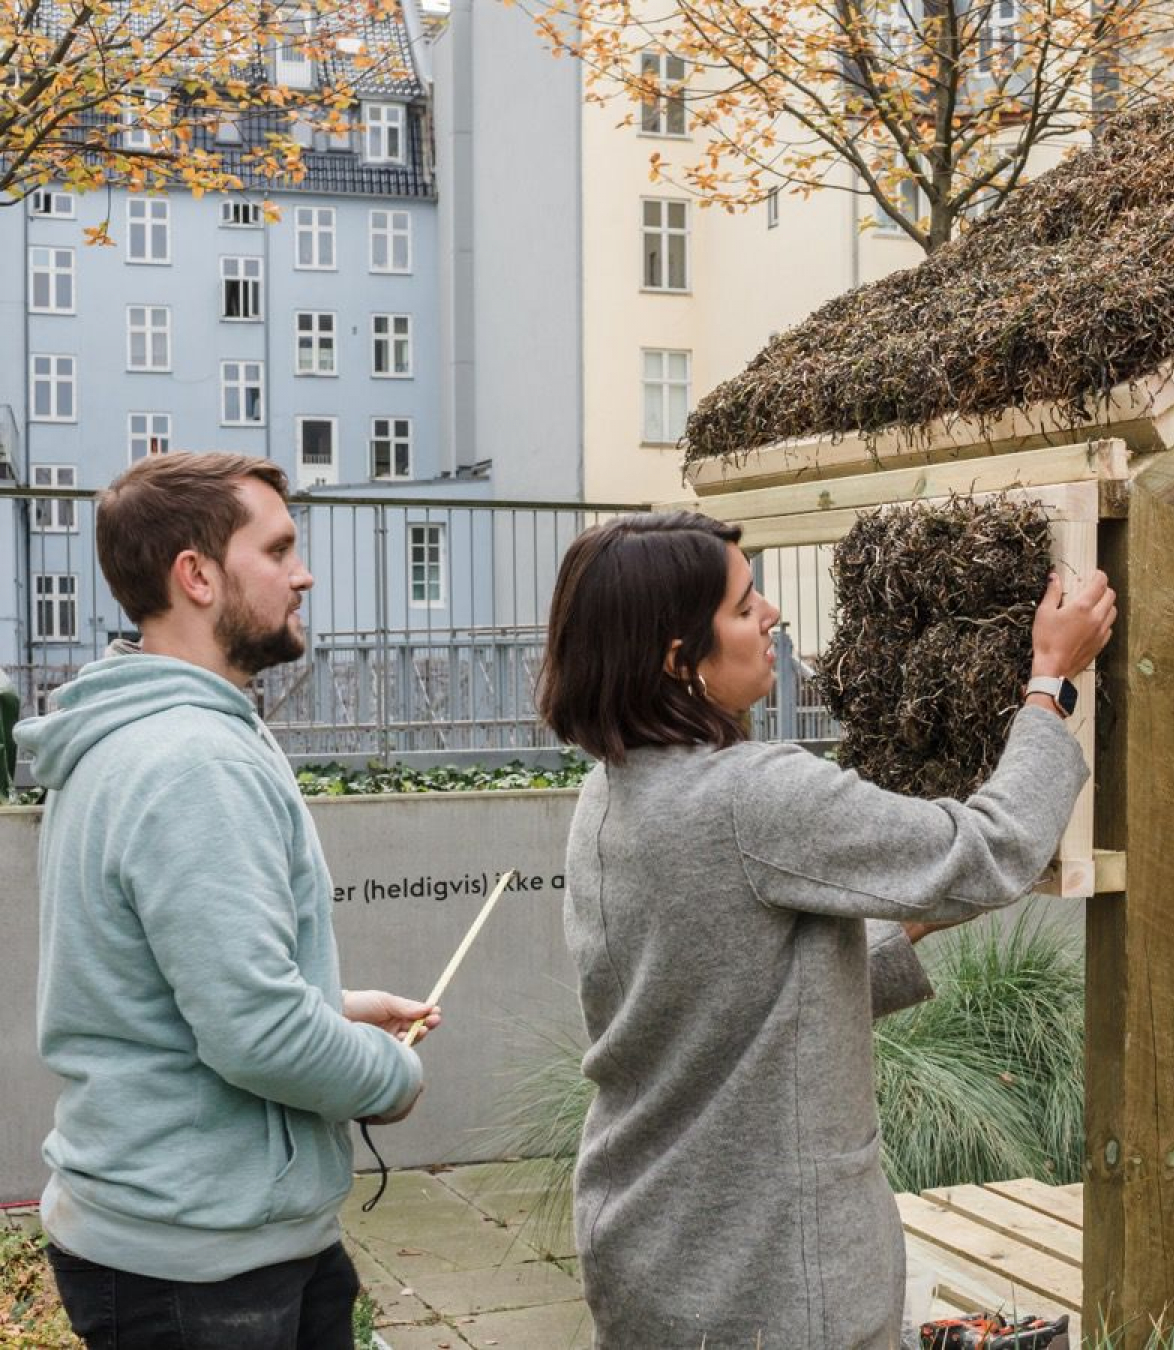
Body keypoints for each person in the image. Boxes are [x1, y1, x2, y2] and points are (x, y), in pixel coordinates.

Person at [536, 511, 1114, 1349]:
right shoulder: (753, 796)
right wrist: (1049, 682)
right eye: (743, 606)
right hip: (772, 1283)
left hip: (649, 1253)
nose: (772, 614)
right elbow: (991, 849)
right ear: (676, 656)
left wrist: (896, 911)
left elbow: (722, 992)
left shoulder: (612, 792)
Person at [19, 453, 440, 1350]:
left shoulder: (139, 737)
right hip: (197, 1262)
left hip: (193, 1238)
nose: (304, 572)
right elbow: (256, 1033)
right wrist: (390, 1079)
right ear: (198, 574)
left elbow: (177, 993)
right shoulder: (192, 761)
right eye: (279, 547)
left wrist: (334, 1008)